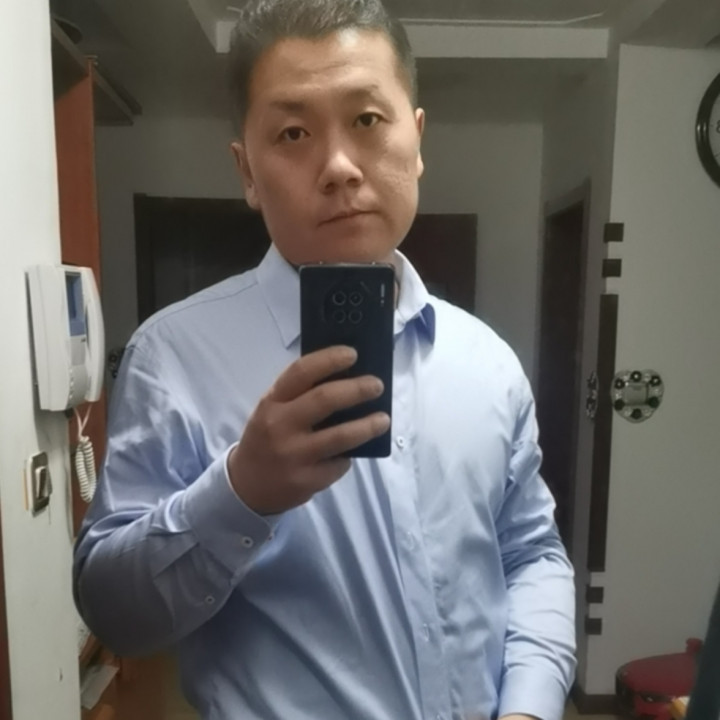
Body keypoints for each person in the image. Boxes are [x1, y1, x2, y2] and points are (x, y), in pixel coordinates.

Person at [73, 1, 576, 718]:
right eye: (293, 133)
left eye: (367, 119)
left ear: (417, 140)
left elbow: (531, 556)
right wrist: (241, 492)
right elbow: (112, 612)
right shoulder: (173, 358)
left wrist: (528, 705)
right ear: (248, 172)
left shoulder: (488, 363)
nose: (339, 166)